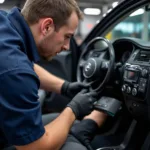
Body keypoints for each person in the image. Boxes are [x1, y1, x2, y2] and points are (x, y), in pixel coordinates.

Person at [0, 0, 107, 150]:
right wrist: (74, 109)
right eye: (67, 36)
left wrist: (65, 87)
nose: (66, 46)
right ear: (47, 27)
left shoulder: (5, 26)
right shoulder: (15, 70)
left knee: (63, 123)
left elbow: (26, 67)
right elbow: (34, 148)